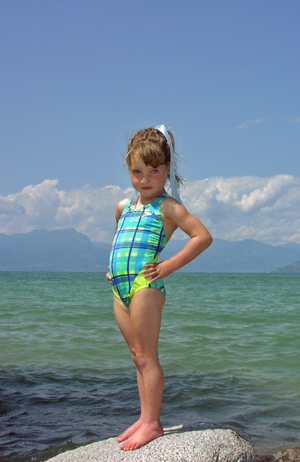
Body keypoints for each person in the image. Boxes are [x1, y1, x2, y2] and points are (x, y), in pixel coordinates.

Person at [106, 125, 212, 451]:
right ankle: (144, 416)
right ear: (129, 170)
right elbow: (120, 240)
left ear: (167, 170)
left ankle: (153, 424)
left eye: (154, 171)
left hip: (144, 286)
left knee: (148, 357)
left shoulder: (167, 207)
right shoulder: (124, 207)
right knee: (137, 357)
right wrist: (112, 269)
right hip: (120, 287)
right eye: (137, 171)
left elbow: (202, 237)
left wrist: (166, 266)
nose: (145, 178)